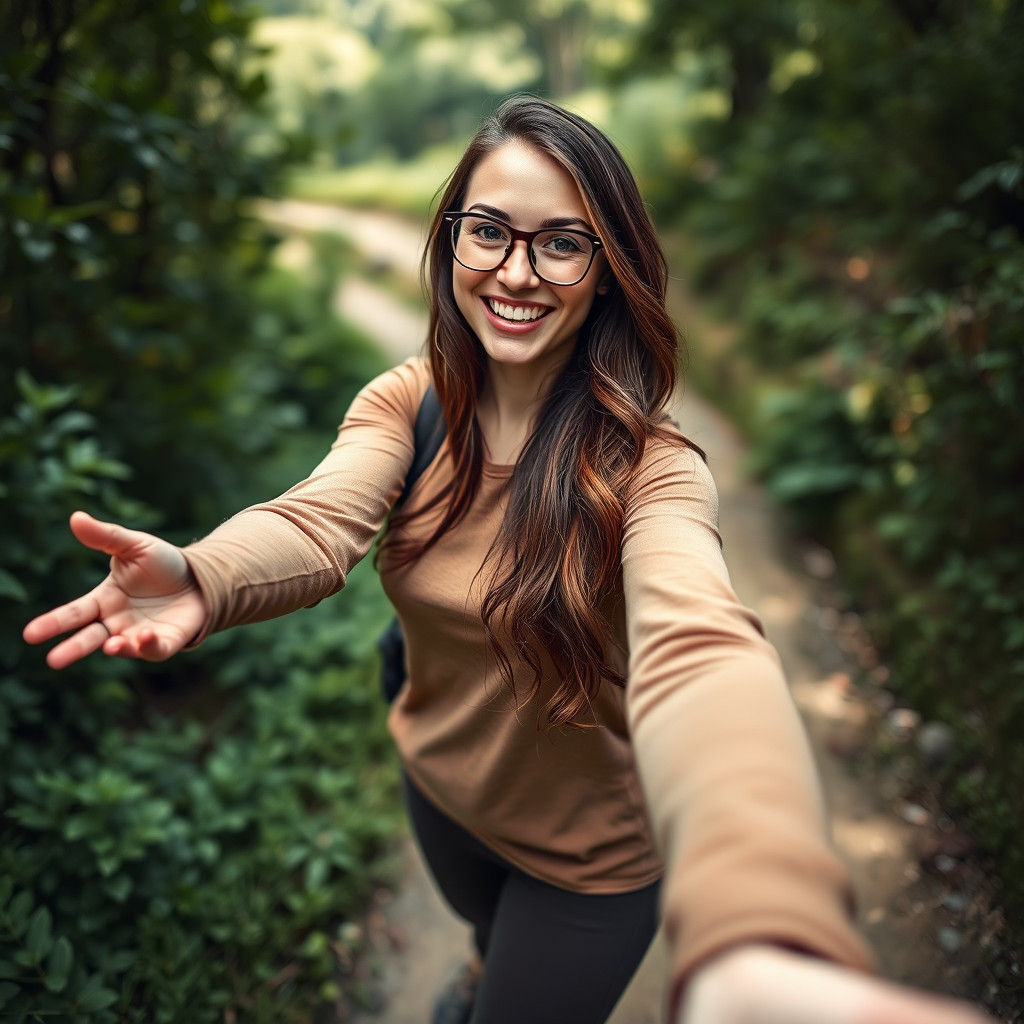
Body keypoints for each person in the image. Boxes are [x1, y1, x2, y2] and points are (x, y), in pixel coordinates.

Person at [24, 96, 993, 1024]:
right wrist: (203, 573)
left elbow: (700, 653)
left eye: (561, 242)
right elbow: (319, 522)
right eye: (488, 230)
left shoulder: (651, 470)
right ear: (451, 240)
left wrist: (762, 922)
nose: (517, 272)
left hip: (589, 862)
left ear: (608, 267)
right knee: (490, 943)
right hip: (441, 786)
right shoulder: (411, 402)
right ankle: (491, 956)